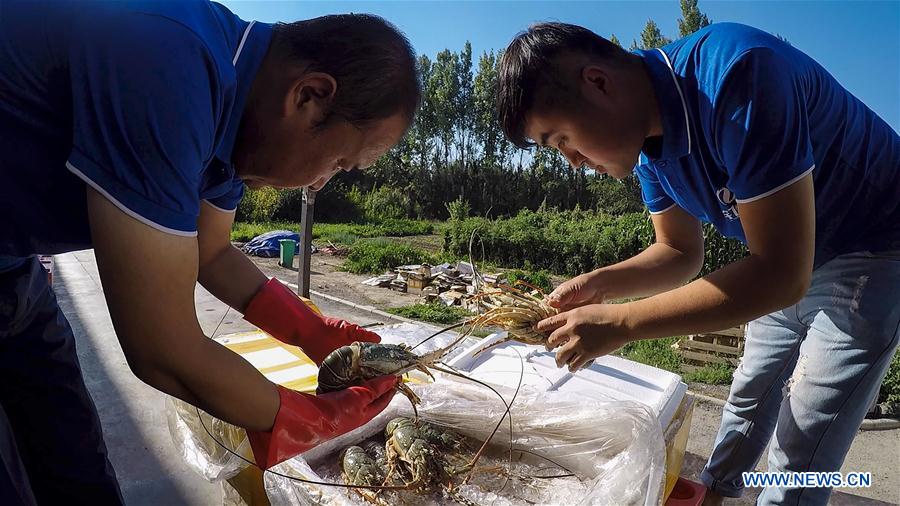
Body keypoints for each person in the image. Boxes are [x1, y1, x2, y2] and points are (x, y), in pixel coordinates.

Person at [0, 1, 420, 503]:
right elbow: (161, 349)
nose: (319, 181)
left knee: (75, 463)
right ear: (309, 96)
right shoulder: (169, 62)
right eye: (336, 162)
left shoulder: (232, 123)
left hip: (13, 271)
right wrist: (301, 416)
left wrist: (311, 330)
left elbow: (212, 252)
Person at [496, 21, 899, 505]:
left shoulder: (736, 77)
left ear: (598, 82)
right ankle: (712, 497)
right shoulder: (649, 149)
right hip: (784, 256)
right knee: (750, 395)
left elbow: (780, 273)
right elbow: (679, 253)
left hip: (873, 244)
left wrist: (622, 323)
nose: (572, 161)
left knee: (802, 441)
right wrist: (599, 283)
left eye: (560, 138)